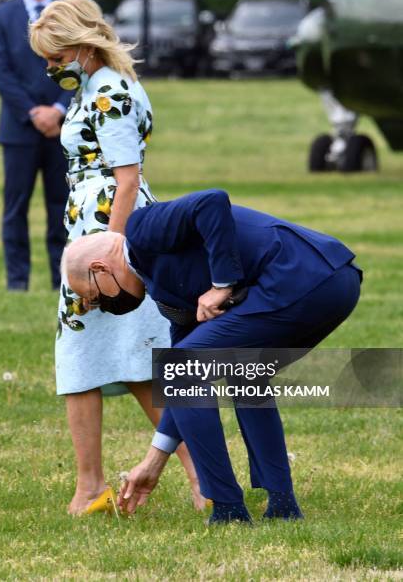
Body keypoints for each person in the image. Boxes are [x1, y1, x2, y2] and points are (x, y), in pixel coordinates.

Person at [61, 189, 363, 524]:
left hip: (307, 276)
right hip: (332, 285)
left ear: (101, 268)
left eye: (95, 297)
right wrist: (153, 461)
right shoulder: (166, 298)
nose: (99, 305)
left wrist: (222, 283)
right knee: (242, 372)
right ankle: (282, 504)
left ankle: (228, 509)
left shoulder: (141, 227)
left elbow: (212, 201)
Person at [28, 0, 204, 515]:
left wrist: (112, 248)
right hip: (87, 237)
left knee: (141, 362)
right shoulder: (90, 88)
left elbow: (126, 182)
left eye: (57, 56)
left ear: (82, 45)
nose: (51, 67)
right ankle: (90, 487)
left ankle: (204, 478)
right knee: (81, 354)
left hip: (111, 236)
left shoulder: (112, 93)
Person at [0, 0, 71, 291]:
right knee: (15, 208)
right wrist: (34, 112)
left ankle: (62, 281)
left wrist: (59, 110)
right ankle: (17, 283)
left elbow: (83, 61)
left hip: (62, 129)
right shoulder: (1, 16)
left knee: (62, 207)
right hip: (19, 130)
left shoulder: (68, 12)